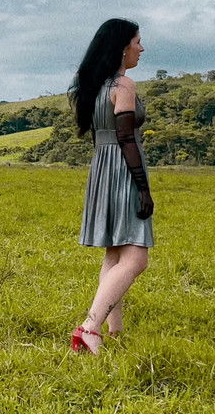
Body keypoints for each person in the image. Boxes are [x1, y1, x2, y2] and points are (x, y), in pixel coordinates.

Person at [69, 18, 154, 354]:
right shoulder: (124, 85)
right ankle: (90, 327)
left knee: (115, 252)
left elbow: (101, 136)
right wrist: (142, 187)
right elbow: (126, 137)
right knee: (136, 259)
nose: (141, 48)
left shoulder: (94, 86)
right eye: (137, 42)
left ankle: (113, 329)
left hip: (102, 168)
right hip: (124, 167)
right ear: (122, 48)